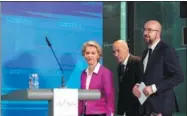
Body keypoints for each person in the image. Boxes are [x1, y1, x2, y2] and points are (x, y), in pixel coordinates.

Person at [132, 20, 184, 116]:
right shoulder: (145, 52)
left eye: (149, 30)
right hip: (146, 107)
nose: (145, 33)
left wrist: (153, 88)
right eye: (144, 30)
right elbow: (147, 77)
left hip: (161, 108)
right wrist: (137, 86)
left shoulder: (167, 50)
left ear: (158, 33)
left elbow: (179, 76)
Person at [78, 41, 115, 116]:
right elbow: (82, 97)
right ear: (84, 55)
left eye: (93, 53)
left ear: (98, 55)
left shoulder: (105, 72)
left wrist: (110, 113)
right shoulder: (83, 74)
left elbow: (109, 96)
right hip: (86, 113)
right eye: (87, 53)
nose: (89, 56)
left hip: (100, 113)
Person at [112, 40, 143, 116]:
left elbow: (143, 85)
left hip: (138, 109)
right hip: (125, 110)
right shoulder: (119, 67)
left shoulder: (137, 62)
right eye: (114, 52)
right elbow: (122, 90)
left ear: (127, 49)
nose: (116, 54)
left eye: (118, 51)